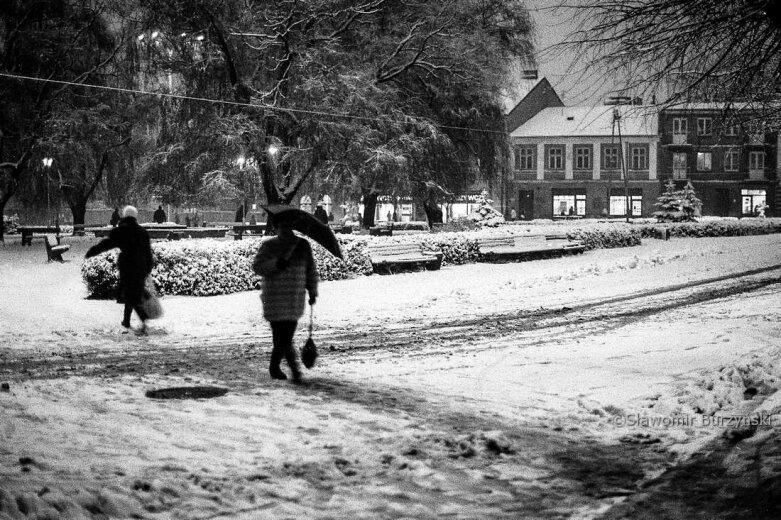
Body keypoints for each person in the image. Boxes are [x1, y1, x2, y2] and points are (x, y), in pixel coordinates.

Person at [252, 212, 318, 383]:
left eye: (288, 225)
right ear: (276, 227)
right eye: (282, 226)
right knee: (283, 337)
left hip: (294, 297)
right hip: (274, 297)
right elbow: (257, 266)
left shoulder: (303, 245)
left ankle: (275, 367)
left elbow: (310, 270)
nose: (285, 229)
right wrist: (275, 263)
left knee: (284, 336)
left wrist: (312, 290)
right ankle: (294, 370)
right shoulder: (269, 246)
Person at [86, 206, 154, 335]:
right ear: (135, 216)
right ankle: (128, 320)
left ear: (124, 215)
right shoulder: (142, 232)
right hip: (140, 266)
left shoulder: (121, 231)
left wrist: (92, 251)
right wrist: (148, 268)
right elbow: (148, 252)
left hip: (127, 265)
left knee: (130, 294)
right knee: (134, 293)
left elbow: (107, 244)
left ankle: (139, 319)